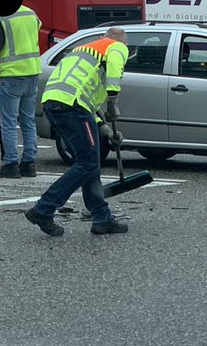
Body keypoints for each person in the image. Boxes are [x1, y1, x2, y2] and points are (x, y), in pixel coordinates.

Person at [25, 27, 129, 237]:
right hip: (73, 106)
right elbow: (115, 69)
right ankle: (43, 209)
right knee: (87, 164)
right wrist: (113, 99)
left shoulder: (83, 50)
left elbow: (87, 96)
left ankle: (102, 218)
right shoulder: (116, 46)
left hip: (55, 102)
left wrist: (104, 128)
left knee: (88, 163)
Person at [0, 3, 42, 179]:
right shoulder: (31, 13)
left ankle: (10, 163)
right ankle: (29, 163)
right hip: (32, 71)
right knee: (28, 121)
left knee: (9, 122)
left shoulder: (2, 17)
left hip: (12, 74)